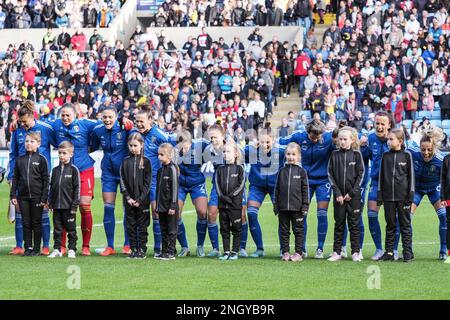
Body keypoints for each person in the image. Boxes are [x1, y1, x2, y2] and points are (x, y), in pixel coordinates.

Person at [278, 119, 335, 259]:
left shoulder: (327, 138)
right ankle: (301, 249)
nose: (316, 139)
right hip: (304, 180)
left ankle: (320, 248)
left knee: (322, 213)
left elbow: (342, 139)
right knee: (301, 213)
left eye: (318, 137)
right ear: (307, 132)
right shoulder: (298, 136)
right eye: (312, 137)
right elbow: (280, 143)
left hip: (323, 180)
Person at [8, 100, 56, 256]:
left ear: (32, 116)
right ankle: (19, 245)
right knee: (21, 213)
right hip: (21, 178)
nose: (22, 124)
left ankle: (46, 246)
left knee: (42, 212)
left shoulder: (46, 129)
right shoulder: (17, 130)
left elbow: (61, 143)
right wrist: (11, 175)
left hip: (41, 180)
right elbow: (14, 154)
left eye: (24, 121)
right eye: (20, 121)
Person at [52, 103, 99, 256]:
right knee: (63, 208)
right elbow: (43, 127)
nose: (65, 118)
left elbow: (103, 125)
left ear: (76, 115)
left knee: (84, 205)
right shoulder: (56, 125)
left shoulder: (86, 124)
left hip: (84, 170)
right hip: (65, 171)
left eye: (68, 115)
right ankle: (63, 246)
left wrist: (123, 122)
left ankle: (86, 246)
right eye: (63, 115)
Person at [91, 107, 131, 256]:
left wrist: (125, 120)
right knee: (108, 207)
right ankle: (110, 246)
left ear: (116, 117)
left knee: (128, 208)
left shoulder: (124, 127)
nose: (107, 120)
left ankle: (128, 244)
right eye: (104, 117)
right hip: (107, 172)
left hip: (125, 173)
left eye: (110, 117)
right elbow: (92, 146)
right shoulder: (98, 131)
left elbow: (137, 130)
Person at [204, 124, 248, 257]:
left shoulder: (234, 147)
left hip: (235, 187)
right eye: (210, 137)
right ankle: (216, 248)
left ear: (222, 136)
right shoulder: (208, 150)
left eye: (215, 137)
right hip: (218, 187)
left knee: (241, 216)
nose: (212, 140)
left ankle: (241, 248)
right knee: (211, 214)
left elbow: (242, 168)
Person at [360, 111, 395, 261]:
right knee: (371, 215)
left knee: (393, 219)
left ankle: (392, 250)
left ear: (389, 125)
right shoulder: (371, 138)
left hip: (393, 184)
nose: (379, 126)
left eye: (382, 124)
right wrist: (361, 146)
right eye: (377, 123)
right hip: (375, 183)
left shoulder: (395, 139)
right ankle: (379, 249)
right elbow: (363, 156)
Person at [407, 128, 447, 260]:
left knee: (444, 217)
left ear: (434, 148)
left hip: (434, 189)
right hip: (417, 189)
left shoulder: (441, 160)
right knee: (406, 217)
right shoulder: (412, 152)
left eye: (429, 149)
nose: (426, 153)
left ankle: (443, 250)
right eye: (423, 149)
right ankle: (408, 251)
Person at [245, 132, 286, 258]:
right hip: (257, 187)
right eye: (262, 142)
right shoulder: (251, 151)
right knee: (251, 213)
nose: (264, 145)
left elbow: (294, 150)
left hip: (276, 187)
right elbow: (237, 150)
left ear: (273, 141)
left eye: (267, 142)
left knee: (283, 216)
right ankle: (259, 249)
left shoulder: (280, 151)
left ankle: (283, 249)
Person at [327, 127, 365, 262]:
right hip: (339, 197)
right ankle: (337, 251)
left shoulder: (357, 155)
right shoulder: (334, 155)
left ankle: (355, 251)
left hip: (353, 197)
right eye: (340, 139)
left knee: (354, 225)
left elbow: (361, 175)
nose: (342, 142)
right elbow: (330, 174)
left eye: (345, 139)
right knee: (339, 224)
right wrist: (337, 193)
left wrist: (351, 193)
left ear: (352, 140)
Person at [377, 128, 414, 262]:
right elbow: (381, 176)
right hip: (388, 197)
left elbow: (411, 177)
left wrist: (410, 195)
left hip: (403, 197)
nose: (388, 141)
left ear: (400, 141)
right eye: (388, 139)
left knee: (405, 225)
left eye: (391, 139)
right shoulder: (385, 156)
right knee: (390, 225)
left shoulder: (407, 155)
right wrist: (380, 195)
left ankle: (408, 253)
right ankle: (389, 253)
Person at [10, 132, 49, 256]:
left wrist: (44, 197)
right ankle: (28, 247)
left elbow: (46, 180)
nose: (28, 144)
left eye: (32, 141)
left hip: (37, 197)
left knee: (36, 222)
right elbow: (15, 178)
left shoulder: (42, 159)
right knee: (25, 222)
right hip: (23, 197)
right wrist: (13, 195)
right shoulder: (20, 159)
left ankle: (37, 248)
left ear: (38, 144)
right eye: (26, 141)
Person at [173, 130, 209, 257]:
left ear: (191, 143)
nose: (184, 151)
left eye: (186, 147)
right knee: (175, 213)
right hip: (180, 185)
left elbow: (212, 143)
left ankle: (200, 246)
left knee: (202, 212)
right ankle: (184, 247)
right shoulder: (173, 148)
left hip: (197, 183)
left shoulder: (200, 147)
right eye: (181, 148)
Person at [274, 142, 309, 262]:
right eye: (288, 154)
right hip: (283, 208)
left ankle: (298, 253)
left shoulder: (302, 172)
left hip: (297, 208)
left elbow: (305, 190)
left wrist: (305, 206)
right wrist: (276, 205)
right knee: (284, 231)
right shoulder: (281, 171)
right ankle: (285, 252)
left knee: (298, 231)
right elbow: (277, 189)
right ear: (285, 155)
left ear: (298, 156)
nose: (291, 157)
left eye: (293, 154)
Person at [120, 133, 152, 259]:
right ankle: (133, 249)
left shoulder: (147, 162)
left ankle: (142, 249)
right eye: (130, 146)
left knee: (142, 226)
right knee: (131, 225)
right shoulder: (125, 161)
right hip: (129, 201)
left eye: (135, 145)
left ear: (142, 145)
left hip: (142, 201)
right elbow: (122, 180)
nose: (133, 148)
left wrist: (140, 199)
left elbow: (147, 183)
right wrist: (128, 197)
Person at [48, 141, 80, 259]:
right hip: (57, 206)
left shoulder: (74, 170)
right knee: (57, 229)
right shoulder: (55, 170)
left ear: (71, 154)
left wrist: (74, 206)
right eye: (60, 153)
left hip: (69, 207)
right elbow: (51, 187)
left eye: (64, 153)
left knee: (71, 230)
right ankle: (57, 249)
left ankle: (72, 249)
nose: (61, 155)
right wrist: (50, 202)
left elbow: (77, 189)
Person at [215, 140, 246, 260]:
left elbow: (241, 185)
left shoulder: (240, 169)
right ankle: (226, 251)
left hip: (235, 205)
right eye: (224, 152)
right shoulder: (220, 169)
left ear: (235, 154)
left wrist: (231, 197)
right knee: (224, 228)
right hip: (223, 204)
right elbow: (217, 185)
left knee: (237, 228)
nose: (225, 154)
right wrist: (223, 197)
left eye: (228, 151)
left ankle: (235, 251)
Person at [155, 143, 179, 260]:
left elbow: (174, 188)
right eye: (158, 154)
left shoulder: (173, 169)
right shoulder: (160, 171)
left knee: (172, 229)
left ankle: (171, 252)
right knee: (163, 229)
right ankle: (164, 251)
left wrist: (173, 205)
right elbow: (158, 190)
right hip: (161, 206)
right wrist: (157, 206)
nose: (159, 157)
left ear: (169, 155)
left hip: (170, 206)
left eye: (162, 155)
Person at [441, 153, 450, 263]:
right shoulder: (446, 159)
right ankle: (449, 253)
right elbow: (443, 180)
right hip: (448, 197)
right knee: (449, 224)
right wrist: (442, 197)